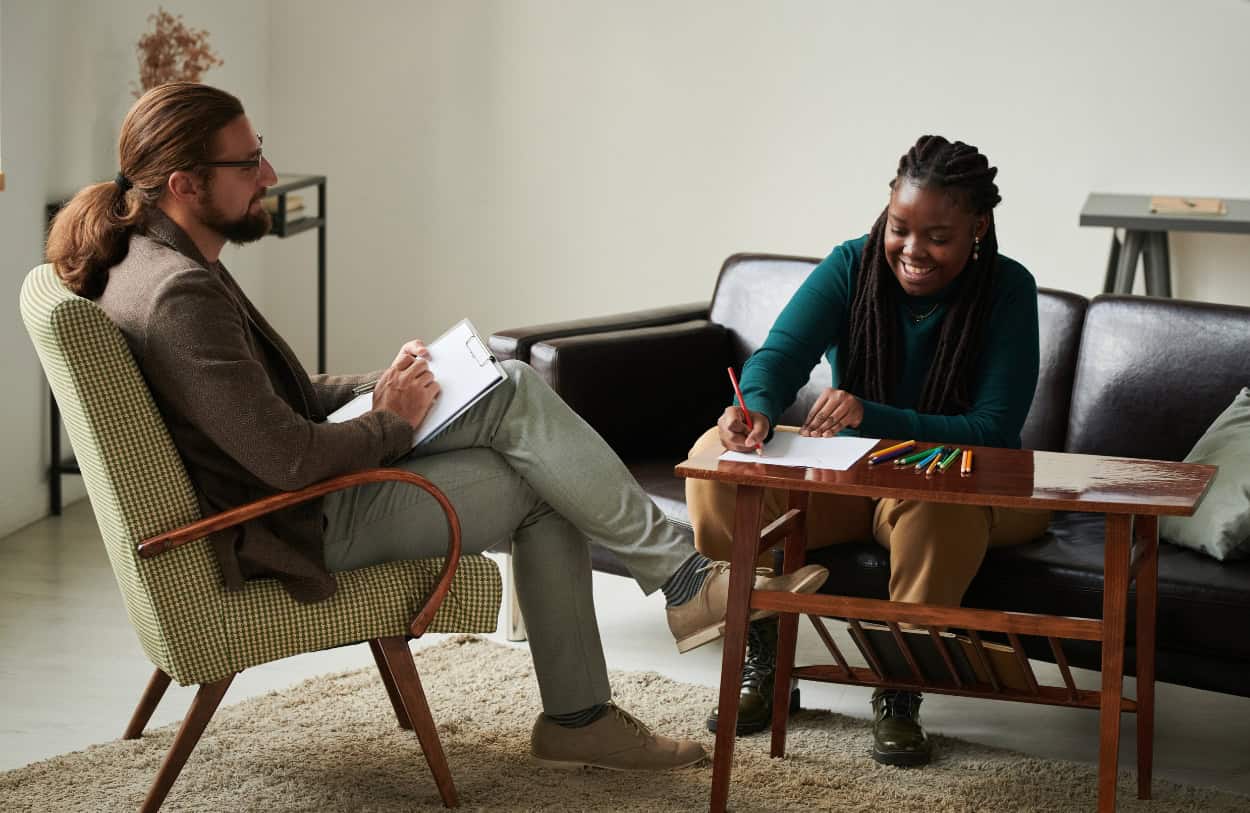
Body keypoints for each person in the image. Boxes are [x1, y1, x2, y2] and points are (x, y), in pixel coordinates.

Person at [45, 82, 829, 773]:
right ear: (184, 182)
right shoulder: (179, 293)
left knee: (509, 399)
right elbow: (287, 459)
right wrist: (392, 418)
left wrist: (383, 389)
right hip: (296, 521)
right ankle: (638, 646)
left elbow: (262, 399)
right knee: (534, 451)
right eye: (247, 163)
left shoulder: (151, 258)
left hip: (289, 494)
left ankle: (627, 660)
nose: (270, 177)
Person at [685, 135, 1051, 766]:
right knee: (718, 463)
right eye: (899, 227)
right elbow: (778, 358)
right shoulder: (851, 265)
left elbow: (993, 427)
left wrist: (871, 413)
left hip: (966, 481)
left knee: (939, 508)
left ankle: (900, 687)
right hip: (853, 477)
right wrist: (756, 410)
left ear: (978, 227)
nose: (912, 250)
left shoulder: (1008, 290)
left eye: (937, 236)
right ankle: (766, 660)